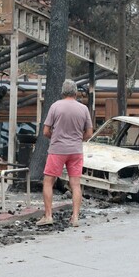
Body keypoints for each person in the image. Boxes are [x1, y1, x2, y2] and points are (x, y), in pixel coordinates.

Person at [37, 79, 93, 228]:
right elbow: (89, 132)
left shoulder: (55, 106)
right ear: (75, 92)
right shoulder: (83, 109)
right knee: (75, 184)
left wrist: (55, 137)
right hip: (76, 151)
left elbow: (46, 131)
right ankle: (75, 217)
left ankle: (48, 215)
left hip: (57, 150)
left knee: (48, 181)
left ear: (63, 91)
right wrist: (77, 139)